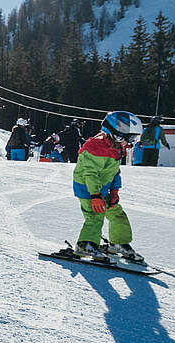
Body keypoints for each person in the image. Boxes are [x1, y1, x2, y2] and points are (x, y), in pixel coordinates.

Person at [72, 111, 143, 264]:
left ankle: (118, 243)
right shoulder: (95, 146)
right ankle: (85, 245)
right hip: (87, 188)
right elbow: (89, 174)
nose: (131, 143)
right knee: (95, 215)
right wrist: (95, 195)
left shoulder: (116, 147)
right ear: (117, 134)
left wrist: (115, 191)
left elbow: (115, 170)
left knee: (116, 213)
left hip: (103, 188)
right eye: (130, 138)